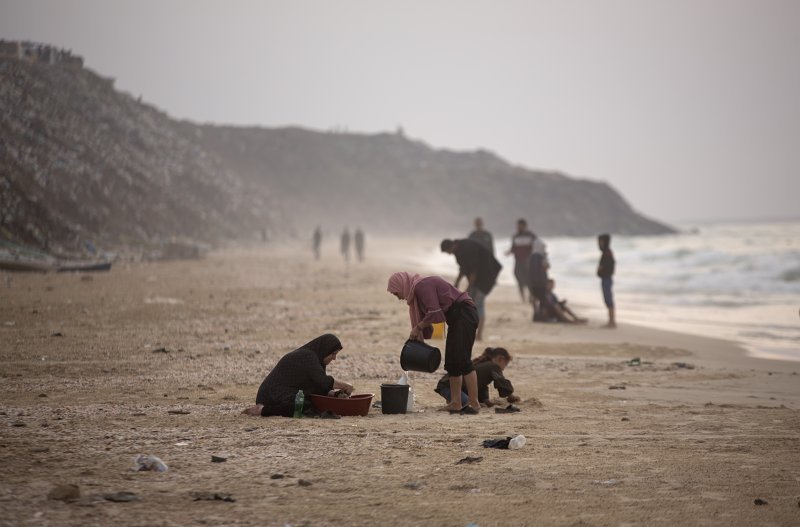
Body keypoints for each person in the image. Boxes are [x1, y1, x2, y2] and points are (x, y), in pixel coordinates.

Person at [387, 272, 480, 414]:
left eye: (396, 293)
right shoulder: (418, 287)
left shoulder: (421, 286)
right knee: (457, 360)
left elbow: (436, 313)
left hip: (464, 313)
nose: (399, 297)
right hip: (460, 316)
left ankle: (468, 403)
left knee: (459, 359)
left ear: (402, 284)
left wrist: (418, 327)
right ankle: (463, 402)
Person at [241, 334, 354, 417]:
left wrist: (336, 394)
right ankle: (261, 410)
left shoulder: (315, 359)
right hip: (271, 394)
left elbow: (317, 387)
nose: (334, 358)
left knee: (309, 404)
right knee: (302, 406)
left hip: (288, 392)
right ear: (325, 350)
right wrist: (346, 386)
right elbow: (323, 381)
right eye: (333, 354)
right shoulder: (308, 356)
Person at [440, 238, 502, 341]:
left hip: (487, 275)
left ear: (451, 247)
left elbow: (474, 271)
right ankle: (469, 330)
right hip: (477, 278)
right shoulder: (457, 250)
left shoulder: (468, 248)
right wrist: (457, 282)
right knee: (469, 303)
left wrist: (468, 288)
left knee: (478, 303)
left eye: (448, 252)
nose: (449, 254)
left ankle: (479, 335)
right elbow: (463, 268)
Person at [435, 347, 520, 407]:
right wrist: (510, 396)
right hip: (447, 387)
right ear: (500, 359)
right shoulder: (493, 366)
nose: (504, 368)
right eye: (506, 364)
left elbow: (480, 385)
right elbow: (501, 381)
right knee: (467, 404)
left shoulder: (483, 364)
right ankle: (454, 399)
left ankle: (454, 398)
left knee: (472, 402)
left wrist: (485, 400)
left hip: (447, 386)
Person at [506, 219, 537, 302]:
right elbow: (513, 248)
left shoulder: (531, 236)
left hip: (528, 261)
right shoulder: (515, 236)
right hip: (518, 261)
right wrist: (509, 252)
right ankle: (523, 298)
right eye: (517, 226)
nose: (517, 227)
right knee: (518, 277)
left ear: (524, 226)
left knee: (529, 280)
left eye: (519, 226)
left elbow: (536, 247)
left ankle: (531, 296)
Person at [528, 237, 550, 321]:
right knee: (542, 300)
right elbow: (546, 267)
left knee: (535, 299)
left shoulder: (532, 256)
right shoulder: (539, 257)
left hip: (534, 282)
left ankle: (536, 315)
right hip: (540, 282)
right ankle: (542, 316)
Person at [597, 233, 616, 328]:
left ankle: (611, 321)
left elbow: (604, 267)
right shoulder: (607, 253)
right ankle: (611, 321)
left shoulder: (607, 254)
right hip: (606, 279)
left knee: (609, 300)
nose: (599, 244)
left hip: (606, 279)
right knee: (608, 299)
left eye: (601, 242)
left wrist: (600, 269)